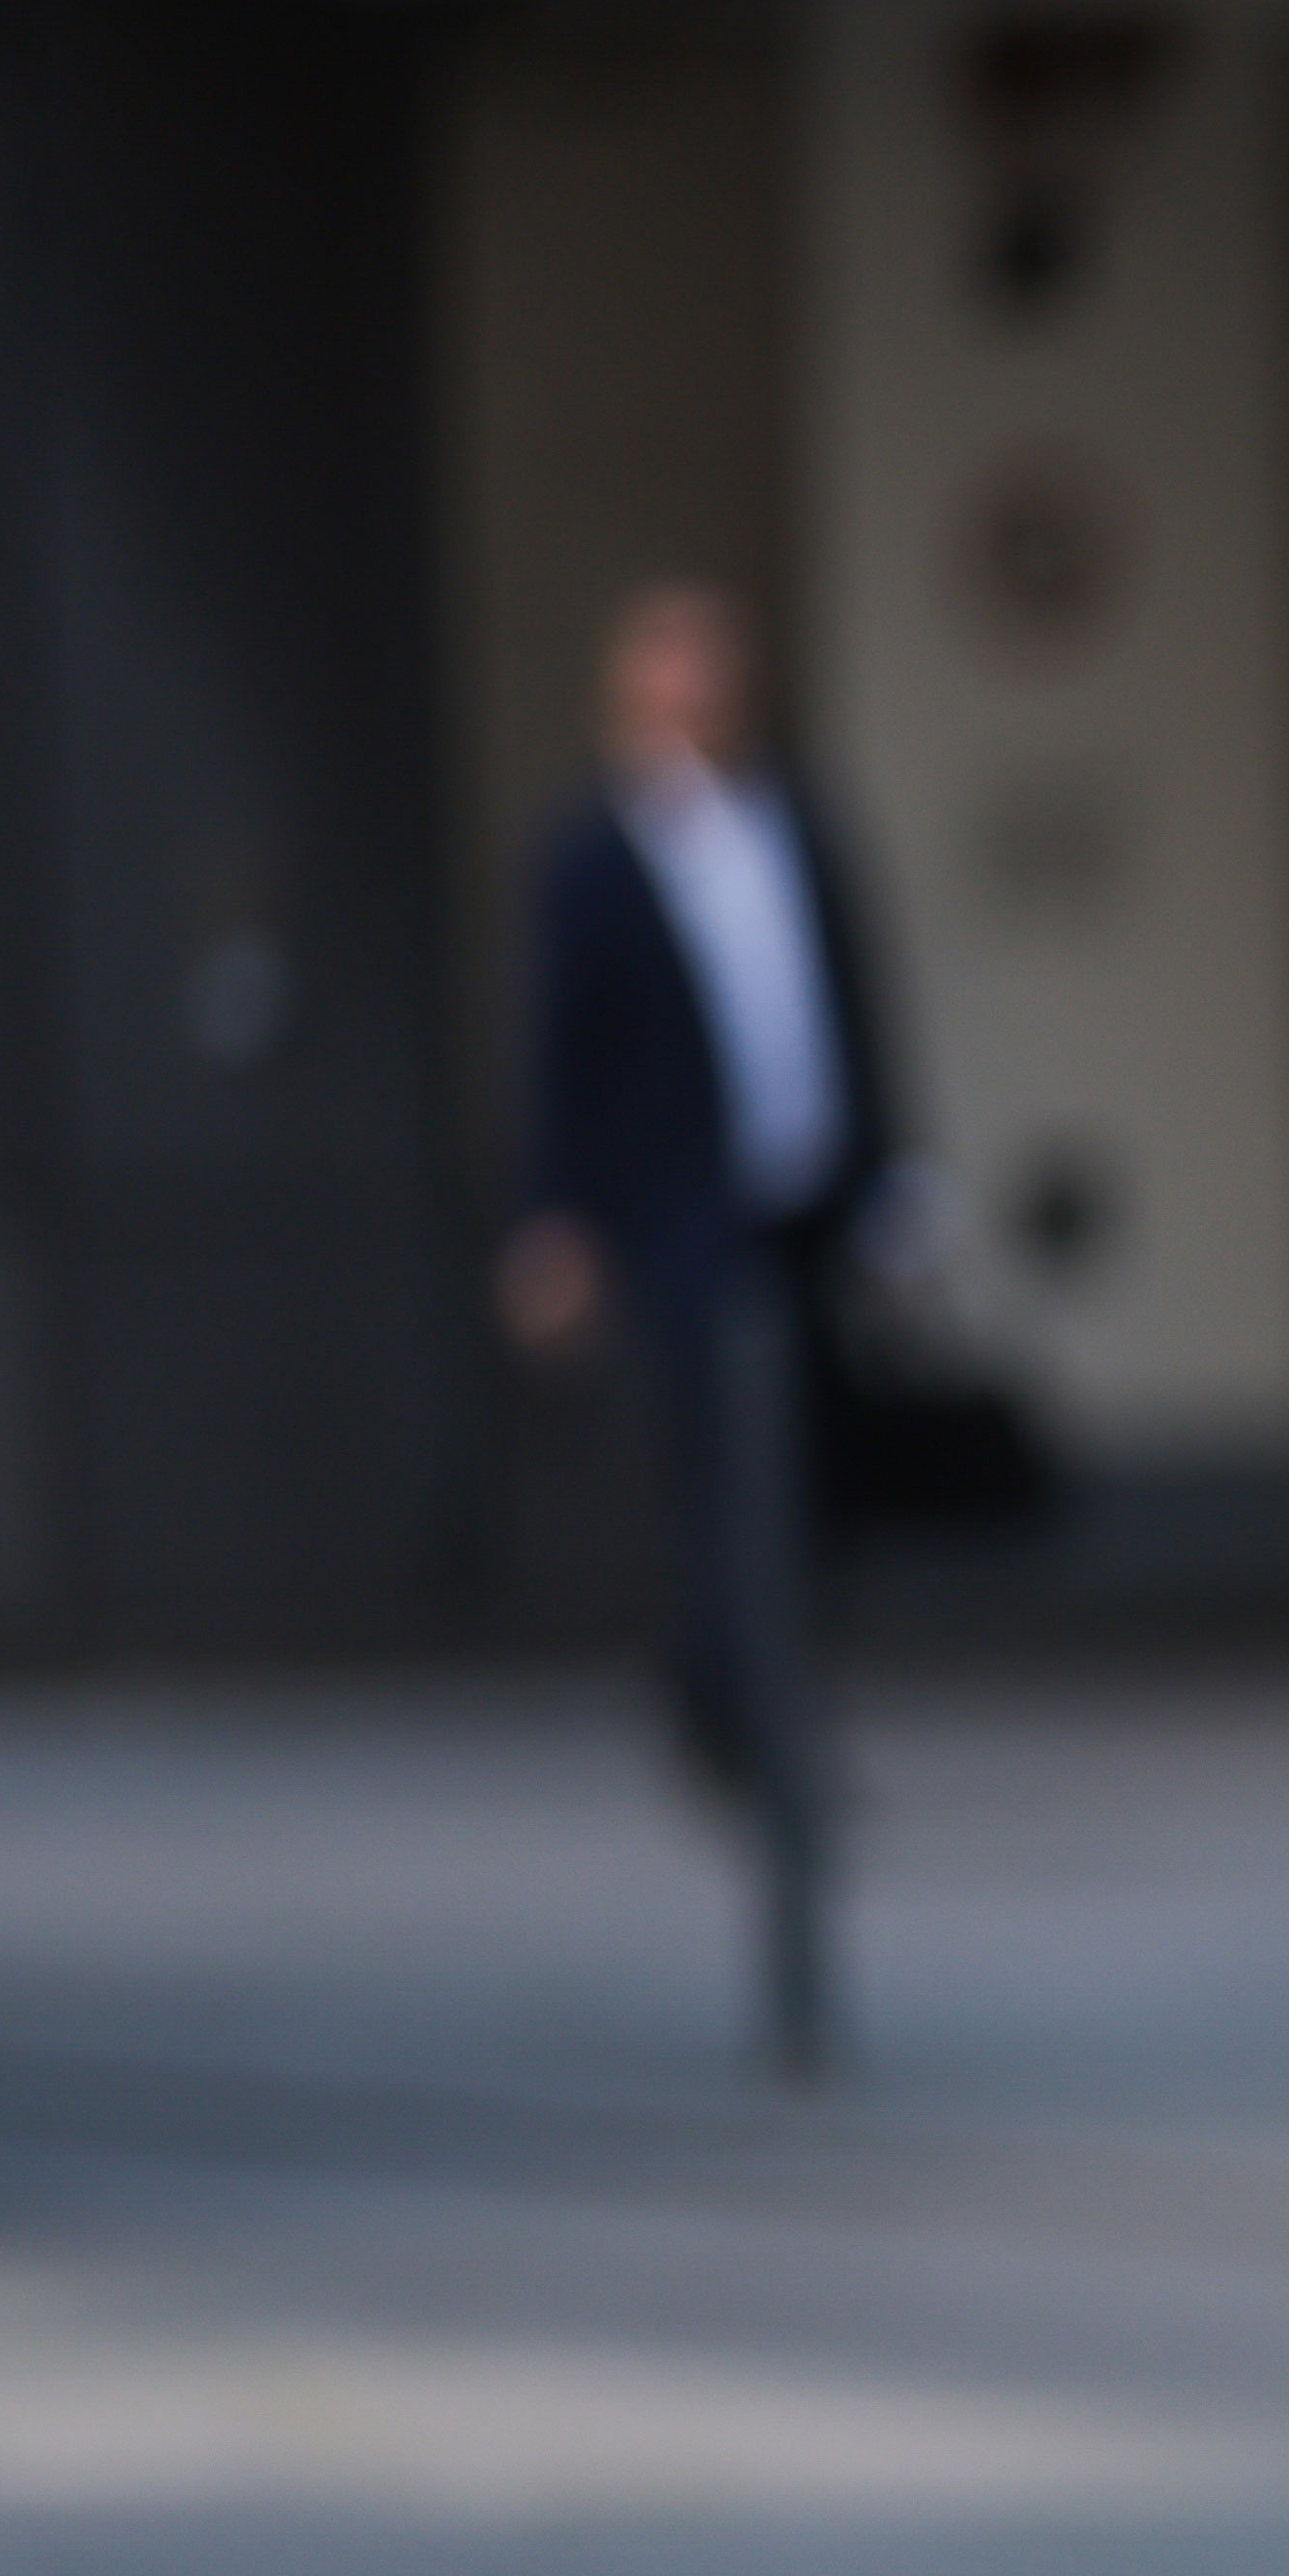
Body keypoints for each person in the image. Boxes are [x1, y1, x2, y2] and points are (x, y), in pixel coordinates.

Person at [496, 584, 922, 1790]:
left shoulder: (798, 825)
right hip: (674, 1206)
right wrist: (550, 1219)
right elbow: (552, 1054)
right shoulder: (586, 859)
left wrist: (894, 1184)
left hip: (808, 1193)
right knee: (724, 1452)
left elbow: (862, 1012)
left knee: (812, 1454)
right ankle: (744, 1707)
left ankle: (743, 1689)